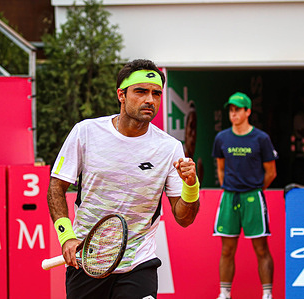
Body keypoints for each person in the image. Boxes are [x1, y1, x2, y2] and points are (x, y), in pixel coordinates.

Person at [47, 59, 200, 299]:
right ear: (121, 94)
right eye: (141, 91)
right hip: (87, 260)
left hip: (139, 263)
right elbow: (56, 186)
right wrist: (66, 236)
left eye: (156, 93)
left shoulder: (170, 148)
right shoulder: (85, 132)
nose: (150, 99)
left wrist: (191, 185)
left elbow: (184, 218)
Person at [212, 92, 278, 299]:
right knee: (227, 250)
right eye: (231, 110)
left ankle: (267, 294)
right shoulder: (221, 138)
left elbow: (271, 172)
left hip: (253, 197)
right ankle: (224, 294)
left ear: (248, 111)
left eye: (238, 110)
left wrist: (256, 189)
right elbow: (220, 169)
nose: (233, 114)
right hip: (229, 197)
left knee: (261, 249)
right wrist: (228, 186)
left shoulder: (261, 138)